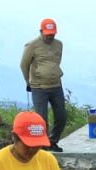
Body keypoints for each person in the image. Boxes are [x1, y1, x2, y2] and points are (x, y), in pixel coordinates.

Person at [20, 18, 65, 151]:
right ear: (41, 31)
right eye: (47, 33)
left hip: (56, 84)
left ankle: (53, 141)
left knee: (61, 116)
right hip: (39, 87)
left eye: (52, 33)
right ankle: (43, 144)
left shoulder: (59, 44)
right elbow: (24, 64)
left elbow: (57, 61)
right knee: (41, 119)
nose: (50, 36)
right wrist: (28, 81)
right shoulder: (32, 45)